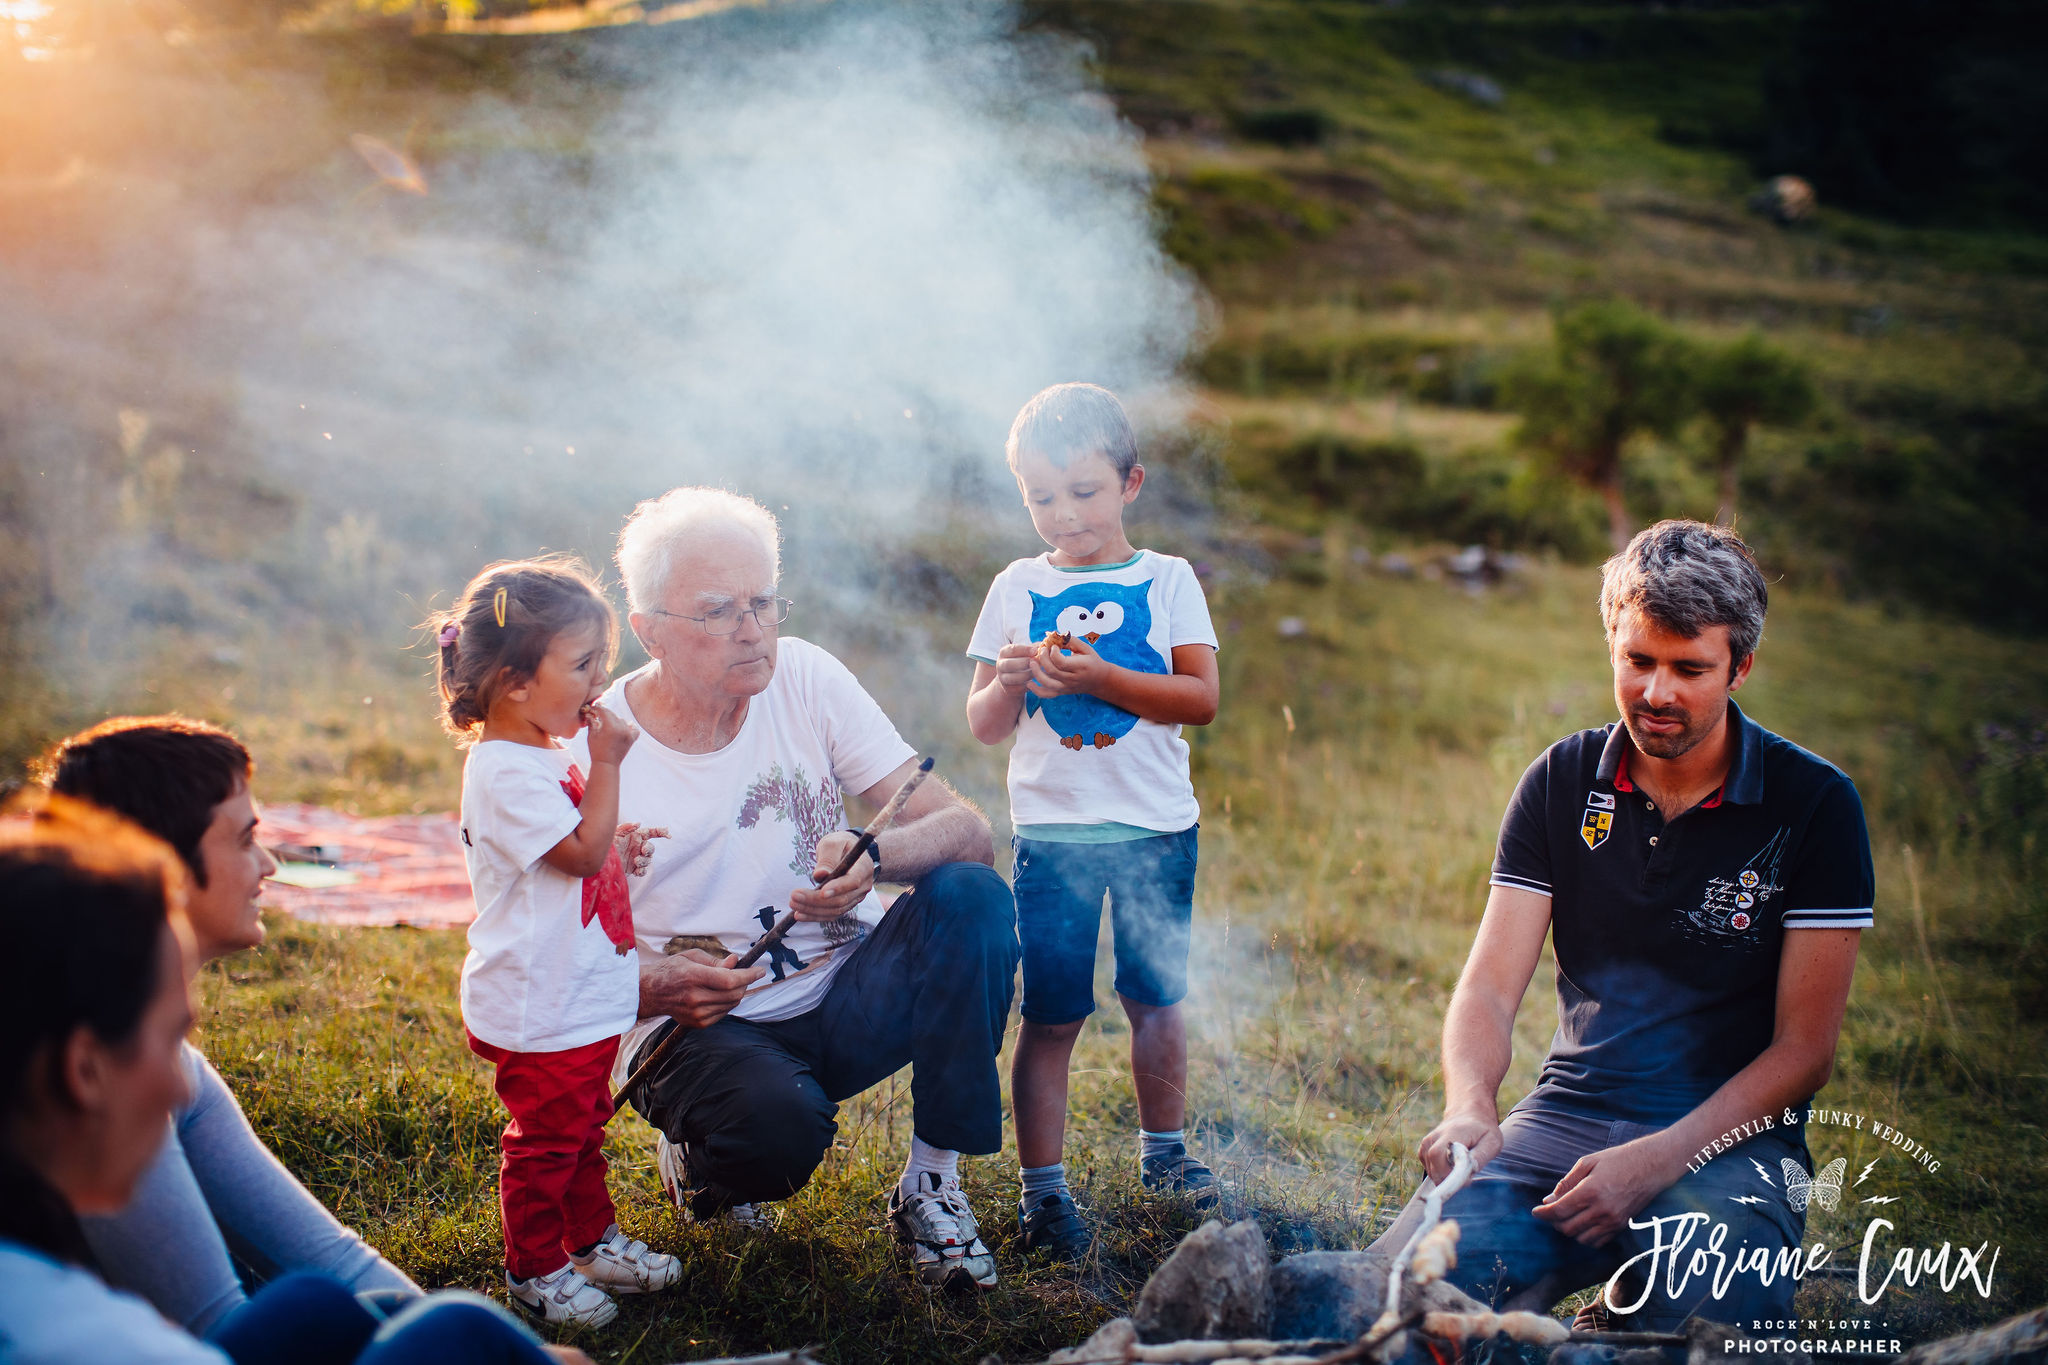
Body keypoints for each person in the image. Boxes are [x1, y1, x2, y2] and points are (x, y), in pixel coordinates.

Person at [1372, 520, 1875, 1335]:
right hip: (1564, 1116)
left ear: (1740, 666)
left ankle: (1620, 1317)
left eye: (1690, 668)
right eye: (1639, 661)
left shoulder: (1816, 805)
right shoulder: (1561, 779)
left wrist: (1661, 1158)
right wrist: (1471, 1105)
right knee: (1396, 1299)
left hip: (1733, 1145)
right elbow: (1491, 988)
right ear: (1612, 642)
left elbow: (1804, 1051)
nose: (1657, 693)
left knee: (1699, 1337)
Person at [583, 486, 1018, 1292]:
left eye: (764, 601)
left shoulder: (807, 676)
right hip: (696, 1027)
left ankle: (932, 1182)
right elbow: (541, 952)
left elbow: (968, 832)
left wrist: (873, 855)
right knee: (779, 1132)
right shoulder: (598, 746)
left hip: (844, 991)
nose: (752, 630)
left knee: (974, 898)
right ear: (649, 631)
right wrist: (655, 983)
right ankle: (708, 1154)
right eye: (718, 610)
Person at [0, 797, 592, 1365]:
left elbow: (322, 1263)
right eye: (166, 1039)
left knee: (309, 1306)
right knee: (456, 1329)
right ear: (84, 1071)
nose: (178, 1091)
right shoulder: (75, 1337)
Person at [42, 715, 424, 1335]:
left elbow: (333, 1258)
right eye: (245, 840)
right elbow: (216, 1328)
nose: (270, 865)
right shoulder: (99, 1075)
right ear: (161, 863)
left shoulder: (167, 1062)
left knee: (369, 1312)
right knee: (317, 1311)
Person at [964, 382, 1222, 1261]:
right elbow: (985, 724)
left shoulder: (1167, 578)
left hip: (1154, 829)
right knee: (1052, 1014)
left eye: (1084, 491)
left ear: (1130, 483)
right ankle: (1044, 1192)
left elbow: (1200, 698)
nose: (1063, 514)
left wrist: (1099, 680)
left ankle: (1166, 1154)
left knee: (1156, 997)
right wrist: (1005, 682)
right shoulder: (1015, 585)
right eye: (1040, 496)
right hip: (1054, 838)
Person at [430, 557, 682, 1328]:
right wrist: (607, 767)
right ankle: (534, 1268)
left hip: (575, 996)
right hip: (539, 1003)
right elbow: (575, 854)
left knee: (581, 1131)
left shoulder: (541, 751)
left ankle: (591, 1238)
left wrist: (616, 842)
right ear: (514, 681)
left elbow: (580, 848)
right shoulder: (505, 769)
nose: (600, 681)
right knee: (546, 1143)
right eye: (582, 664)